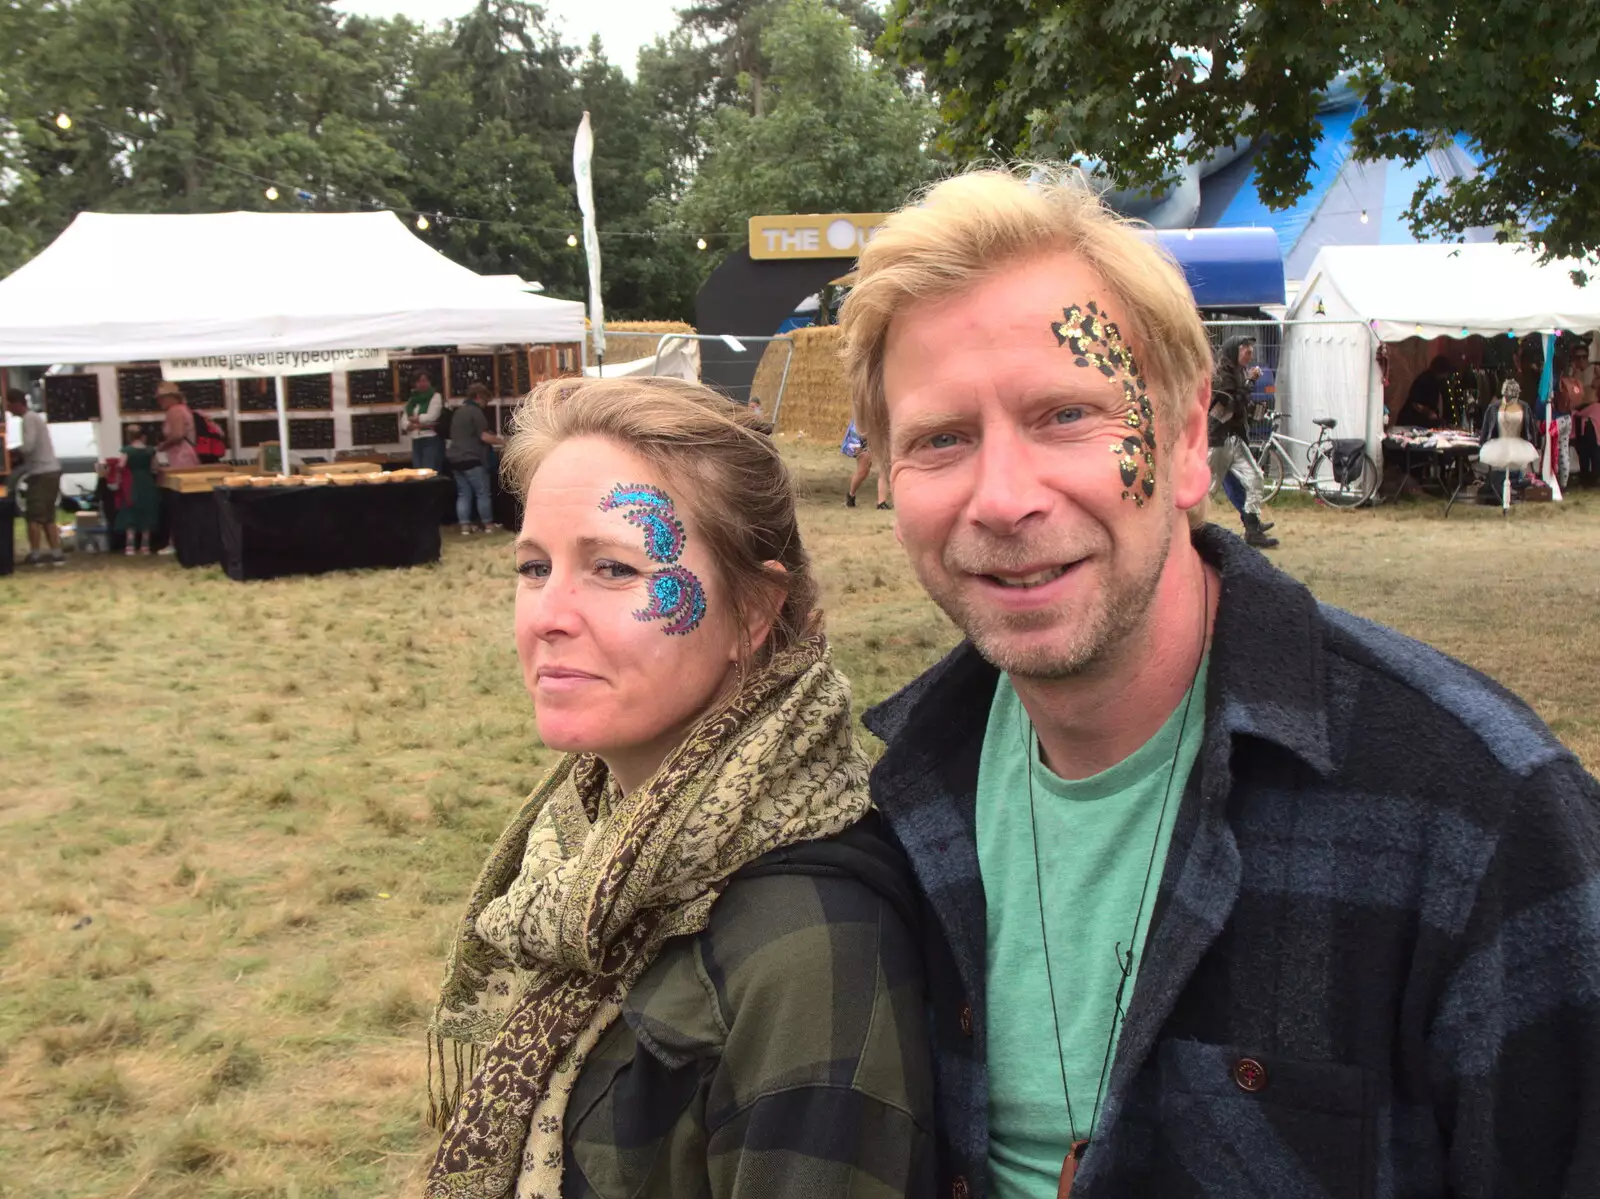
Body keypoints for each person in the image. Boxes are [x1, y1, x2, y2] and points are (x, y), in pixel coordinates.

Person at [838, 167, 1600, 1199]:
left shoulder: (1483, 818)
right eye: (940, 439)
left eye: (1066, 413)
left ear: (1187, 438)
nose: (1003, 498)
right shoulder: (891, 805)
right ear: (884, 474)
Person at [425, 376, 933, 1198]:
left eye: (613, 567)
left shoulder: (808, 949)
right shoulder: (581, 854)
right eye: (532, 565)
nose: (547, 614)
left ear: (755, 610)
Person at [1206, 335, 1277, 548]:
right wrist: (1249, 385)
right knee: (1206, 489)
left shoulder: (1237, 372)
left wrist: (1252, 408)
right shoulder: (1221, 375)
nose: (1250, 354)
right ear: (1235, 351)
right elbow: (1229, 403)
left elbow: (1238, 403)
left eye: (1252, 350)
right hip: (1218, 440)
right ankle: (1186, 528)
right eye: (1247, 350)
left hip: (1234, 440)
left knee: (1255, 478)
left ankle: (1253, 529)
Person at [5, 387, 65, 566]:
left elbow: (29, 446)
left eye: (8, 404)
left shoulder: (28, 419)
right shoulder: (34, 418)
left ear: (15, 403)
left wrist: (13, 452)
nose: (7, 409)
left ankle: (36, 554)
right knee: (48, 516)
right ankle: (56, 553)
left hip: (41, 472)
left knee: (34, 516)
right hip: (50, 470)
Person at [444, 382, 501, 534]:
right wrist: (504, 442)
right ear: (477, 397)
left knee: (464, 493)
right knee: (482, 493)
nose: (485, 404)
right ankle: (488, 525)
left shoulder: (458, 412)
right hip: (472, 458)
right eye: (485, 400)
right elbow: (484, 436)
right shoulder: (476, 412)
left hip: (455, 459)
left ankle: (465, 527)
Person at [115, 425, 161, 554]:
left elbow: (121, 465)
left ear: (128, 436)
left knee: (131, 510)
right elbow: (155, 467)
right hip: (147, 482)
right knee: (147, 510)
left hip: (132, 482)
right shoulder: (150, 450)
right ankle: (145, 545)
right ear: (142, 435)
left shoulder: (127, 450)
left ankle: (130, 545)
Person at [404, 371, 446, 472]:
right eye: (418, 381)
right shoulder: (412, 400)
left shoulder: (436, 396)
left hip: (431, 438)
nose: (421, 384)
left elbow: (432, 417)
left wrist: (416, 419)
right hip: (416, 438)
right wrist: (410, 425)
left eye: (424, 381)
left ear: (430, 382)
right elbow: (404, 419)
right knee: (417, 472)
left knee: (429, 471)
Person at [154, 380, 201, 471]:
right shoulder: (184, 409)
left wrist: (163, 445)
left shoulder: (174, 410)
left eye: (162, 398)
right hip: (190, 454)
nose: (159, 401)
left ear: (171, 397)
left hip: (181, 457)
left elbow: (178, 434)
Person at [844, 420, 891, 509]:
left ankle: (881, 503)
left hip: (881, 437)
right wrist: (856, 445)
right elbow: (856, 427)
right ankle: (851, 494)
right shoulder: (862, 412)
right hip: (864, 440)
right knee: (863, 472)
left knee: (884, 469)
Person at [1398, 354, 1451, 427]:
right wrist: (1430, 413)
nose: (1445, 377)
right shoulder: (1424, 380)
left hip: (1420, 422)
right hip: (1412, 422)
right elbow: (1416, 403)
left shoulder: (1435, 381)